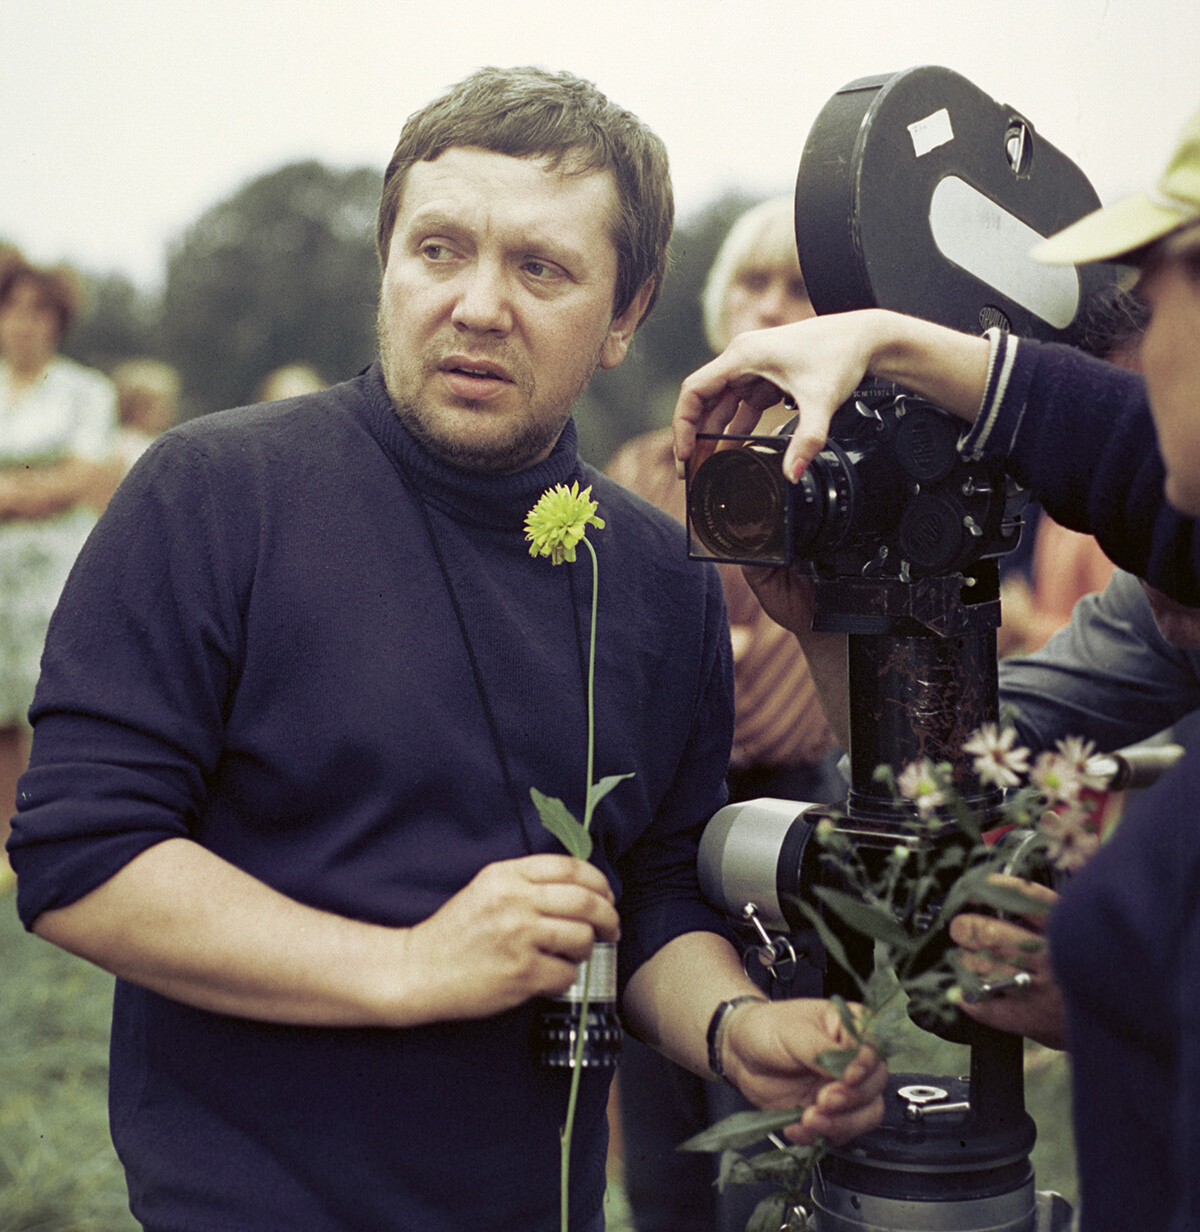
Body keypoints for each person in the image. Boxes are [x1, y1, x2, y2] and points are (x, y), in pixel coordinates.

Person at [6, 67, 886, 1232]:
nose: (478, 304)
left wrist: (735, 1023)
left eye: (542, 267)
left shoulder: (659, 570)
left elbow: (657, 889)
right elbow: (81, 854)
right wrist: (408, 963)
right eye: (438, 249)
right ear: (387, 262)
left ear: (627, 313)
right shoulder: (215, 490)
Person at [672, 101, 1200, 1232]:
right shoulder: (1158, 618)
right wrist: (826, 629)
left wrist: (1135, 991)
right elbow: (944, 787)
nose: (1129, 528)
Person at [606, 196, 842, 1232]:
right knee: (657, 1095)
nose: (773, 301)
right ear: (716, 302)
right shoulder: (644, 471)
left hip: (788, 812)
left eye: (798, 284)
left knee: (770, 1114)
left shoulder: (845, 471)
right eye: (753, 280)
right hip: (662, 813)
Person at [0, 254, 116, 890]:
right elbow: (51, 479)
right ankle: (4, 849)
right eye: (13, 309)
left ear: (58, 321)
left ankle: (56, 834)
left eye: (39, 311)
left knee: (49, 705)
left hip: (55, 574)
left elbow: (82, 477)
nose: (23, 324)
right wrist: (35, 482)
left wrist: (22, 491)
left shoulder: (84, 391)